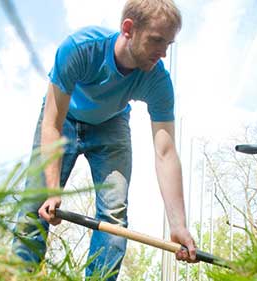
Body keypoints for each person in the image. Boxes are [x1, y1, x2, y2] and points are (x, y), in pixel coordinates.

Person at [12, 0, 197, 279]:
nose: (162, 54)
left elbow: (166, 152)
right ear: (128, 29)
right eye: (156, 41)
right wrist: (52, 191)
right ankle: (18, 274)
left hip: (112, 124)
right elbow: (51, 123)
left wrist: (178, 224)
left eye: (168, 44)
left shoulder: (158, 81)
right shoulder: (80, 48)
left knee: (114, 216)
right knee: (33, 205)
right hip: (64, 120)